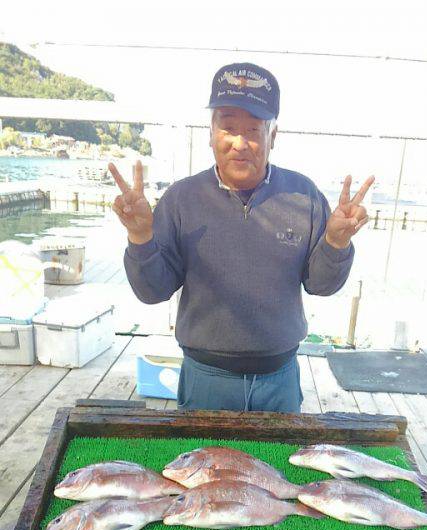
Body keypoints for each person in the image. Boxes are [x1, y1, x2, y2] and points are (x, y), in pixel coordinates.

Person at [109, 62, 374, 413]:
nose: (240, 142)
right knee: (200, 469)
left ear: (272, 137)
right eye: (228, 127)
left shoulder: (304, 195)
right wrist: (140, 237)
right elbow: (152, 291)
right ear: (211, 133)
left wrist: (337, 244)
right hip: (205, 379)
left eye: (253, 129)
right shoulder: (181, 198)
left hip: (279, 380)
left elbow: (321, 285)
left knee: (277, 469)